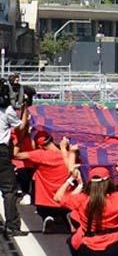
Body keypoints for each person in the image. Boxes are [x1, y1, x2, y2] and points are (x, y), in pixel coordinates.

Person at [14, 131, 72, 234]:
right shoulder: (67, 156)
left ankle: (48, 217)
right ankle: (66, 217)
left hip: (45, 201)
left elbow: (16, 155)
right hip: (64, 198)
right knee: (65, 211)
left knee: (44, 209)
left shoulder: (40, 155)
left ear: (40, 145)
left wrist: (21, 138)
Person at [0, 83, 27, 237]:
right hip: (2, 151)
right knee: (9, 190)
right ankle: (12, 225)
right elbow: (20, 127)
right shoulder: (7, 111)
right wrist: (24, 109)